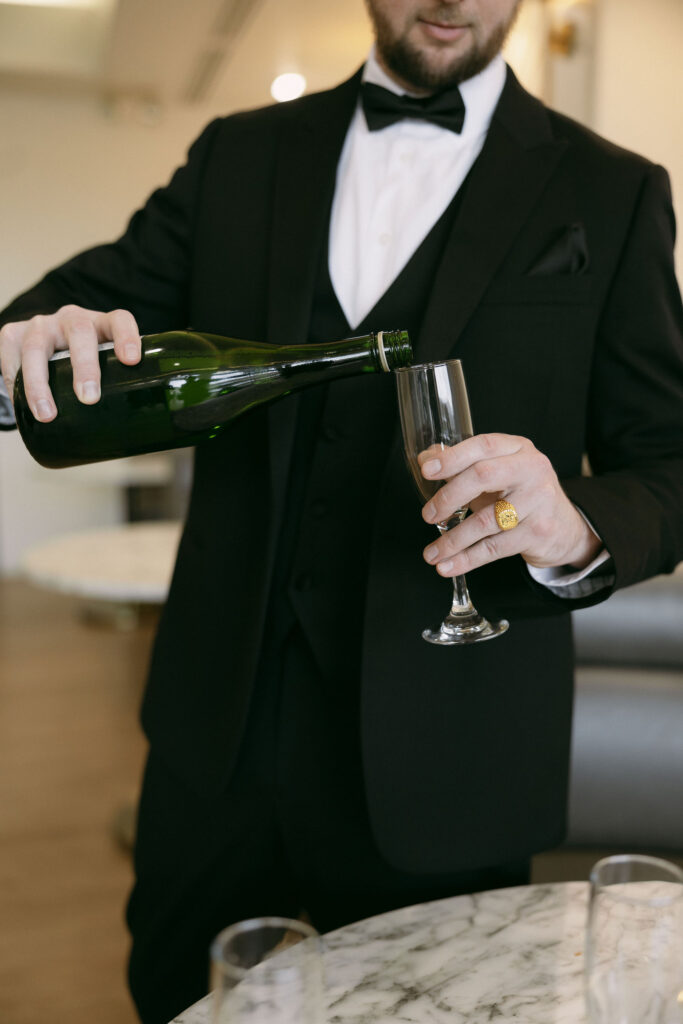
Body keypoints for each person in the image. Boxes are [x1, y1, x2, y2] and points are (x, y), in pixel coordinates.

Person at [1, 0, 682, 1020]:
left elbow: (665, 463)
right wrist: (34, 331)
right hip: (216, 746)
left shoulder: (613, 190)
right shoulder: (238, 153)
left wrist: (570, 523)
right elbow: (71, 314)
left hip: (454, 758)